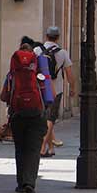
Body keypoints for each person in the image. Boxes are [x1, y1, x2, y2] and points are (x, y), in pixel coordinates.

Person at [0, 42, 49, 193]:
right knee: (33, 150)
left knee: (20, 149)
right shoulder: (38, 73)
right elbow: (49, 95)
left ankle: (21, 183)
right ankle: (30, 183)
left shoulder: (12, 75)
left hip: (17, 115)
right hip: (36, 114)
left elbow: (3, 96)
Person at [37, 27, 74, 158]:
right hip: (56, 90)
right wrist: (72, 88)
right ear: (58, 37)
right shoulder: (63, 53)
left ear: (46, 36)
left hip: (40, 89)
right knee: (51, 118)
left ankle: (51, 148)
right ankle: (42, 147)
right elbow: (69, 73)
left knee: (44, 117)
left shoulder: (37, 51)